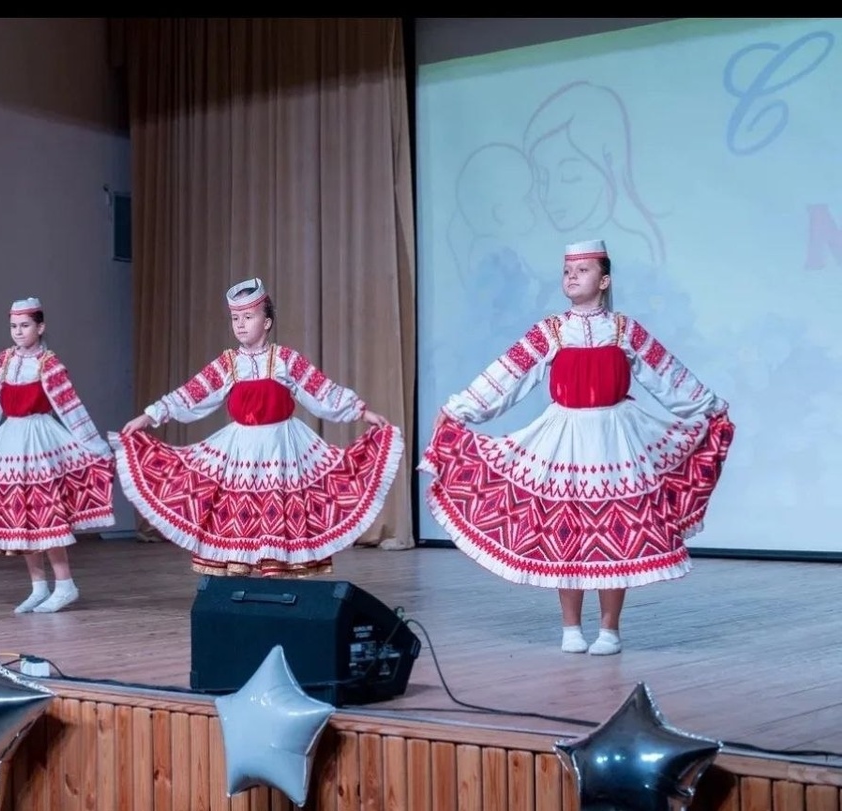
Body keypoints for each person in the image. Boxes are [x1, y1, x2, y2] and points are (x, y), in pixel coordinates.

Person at [418, 241, 734, 655]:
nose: (572, 276)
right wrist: (458, 409)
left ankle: (609, 630)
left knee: (618, 531)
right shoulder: (551, 331)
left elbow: (667, 375)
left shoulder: (624, 330)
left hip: (614, 437)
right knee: (566, 530)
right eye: (568, 270)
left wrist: (710, 406)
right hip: (565, 435)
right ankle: (570, 627)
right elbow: (507, 376)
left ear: (604, 281)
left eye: (583, 270)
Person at [109, 278, 404, 578]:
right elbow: (192, 394)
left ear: (267, 322)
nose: (240, 324)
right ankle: (239, 566)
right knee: (238, 504)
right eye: (235, 318)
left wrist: (360, 411)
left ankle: (276, 568)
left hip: (281, 446)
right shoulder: (228, 363)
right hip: (242, 449)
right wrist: (150, 416)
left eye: (248, 317)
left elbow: (320, 390)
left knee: (280, 503)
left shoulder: (285, 360)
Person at [0, 297, 115, 614]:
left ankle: (65, 584)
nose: (18, 331)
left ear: (40, 328)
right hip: (10, 439)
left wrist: (95, 446)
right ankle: (38, 586)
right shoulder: (4, 361)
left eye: (25, 325)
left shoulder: (48, 364)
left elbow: (70, 408)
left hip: (39, 440)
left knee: (45, 514)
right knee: (23, 516)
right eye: (14, 326)